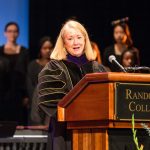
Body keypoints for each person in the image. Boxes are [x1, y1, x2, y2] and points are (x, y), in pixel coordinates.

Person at [37, 20, 106, 150]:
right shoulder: (54, 68)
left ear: (85, 40)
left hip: (96, 130)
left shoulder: (97, 68)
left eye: (79, 37)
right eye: (70, 38)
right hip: (65, 132)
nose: (76, 43)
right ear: (64, 43)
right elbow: (49, 101)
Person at [0, 22, 29, 125]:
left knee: (18, 122)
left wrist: (26, 95)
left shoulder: (24, 51)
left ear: (18, 33)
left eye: (15, 31)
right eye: (10, 31)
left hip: (18, 94)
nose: (12, 34)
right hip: (2, 93)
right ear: (5, 33)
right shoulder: (0, 51)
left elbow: (27, 74)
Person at [27, 36, 53, 125]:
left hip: (51, 102)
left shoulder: (56, 65)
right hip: (36, 101)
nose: (47, 50)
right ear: (40, 49)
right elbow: (29, 84)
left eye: (50, 48)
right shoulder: (33, 65)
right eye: (45, 48)